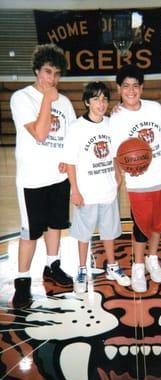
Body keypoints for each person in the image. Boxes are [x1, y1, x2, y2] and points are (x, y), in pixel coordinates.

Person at [10, 43, 76, 309]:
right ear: (37, 71)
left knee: (55, 226)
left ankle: (53, 265)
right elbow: (39, 133)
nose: (52, 79)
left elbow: (72, 135)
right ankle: (22, 281)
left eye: (57, 74)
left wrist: (67, 159)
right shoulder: (21, 98)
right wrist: (48, 99)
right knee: (30, 232)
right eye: (48, 72)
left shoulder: (66, 102)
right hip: (32, 179)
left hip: (57, 178)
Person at [109, 64, 161, 293]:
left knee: (159, 223)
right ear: (118, 89)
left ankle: (152, 258)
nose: (131, 90)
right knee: (141, 227)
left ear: (142, 88)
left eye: (136, 85)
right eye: (125, 86)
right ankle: (137, 266)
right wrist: (122, 175)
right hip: (139, 182)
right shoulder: (115, 119)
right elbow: (118, 155)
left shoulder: (156, 108)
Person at [62, 81, 130, 292]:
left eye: (104, 99)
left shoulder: (112, 123)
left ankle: (112, 266)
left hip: (108, 190)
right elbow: (70, 162)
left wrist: (119, 177)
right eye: (95, 99)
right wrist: (75, 189)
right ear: (87, 102)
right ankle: (82, 269)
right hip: (86, 193)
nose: (101, 103)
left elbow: (117, 153)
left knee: (109, 233)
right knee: (84, 234)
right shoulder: (76, 128)